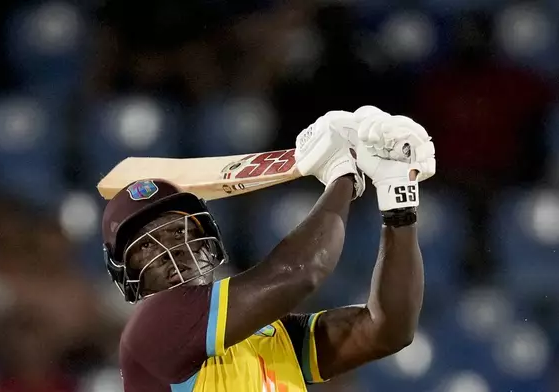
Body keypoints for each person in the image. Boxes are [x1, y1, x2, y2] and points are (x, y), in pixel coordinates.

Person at [100, 105, 436, 391]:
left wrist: (397, 199)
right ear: (125, 272)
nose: (170, 249)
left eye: (179, 230)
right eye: (146, 245)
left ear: (208, 241)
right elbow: (302, 271)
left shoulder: (272, 335)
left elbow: (388, 330)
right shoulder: (150, 331)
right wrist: (342, 171)